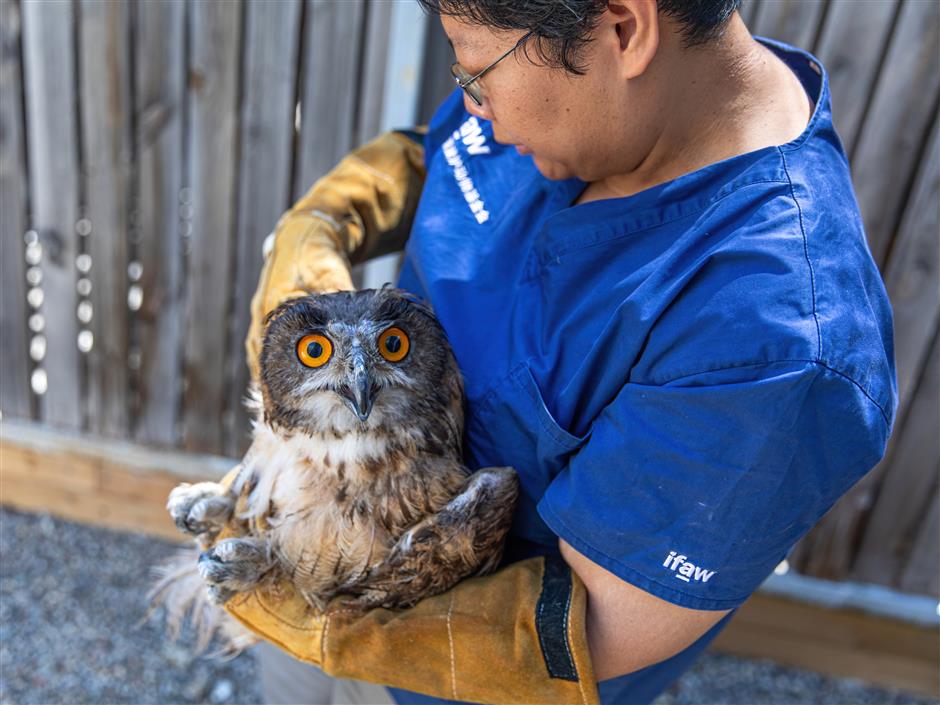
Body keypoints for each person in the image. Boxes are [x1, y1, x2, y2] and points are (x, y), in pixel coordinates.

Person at [232, 2, 897, 704]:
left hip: (436, 681)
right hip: (302, 521)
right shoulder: (591, 87)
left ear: (623, 29)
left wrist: (333, 619)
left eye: (477, 69)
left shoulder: (773, 344)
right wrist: (332, 216)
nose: (471, 103)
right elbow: (443, 153)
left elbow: (587, 631)